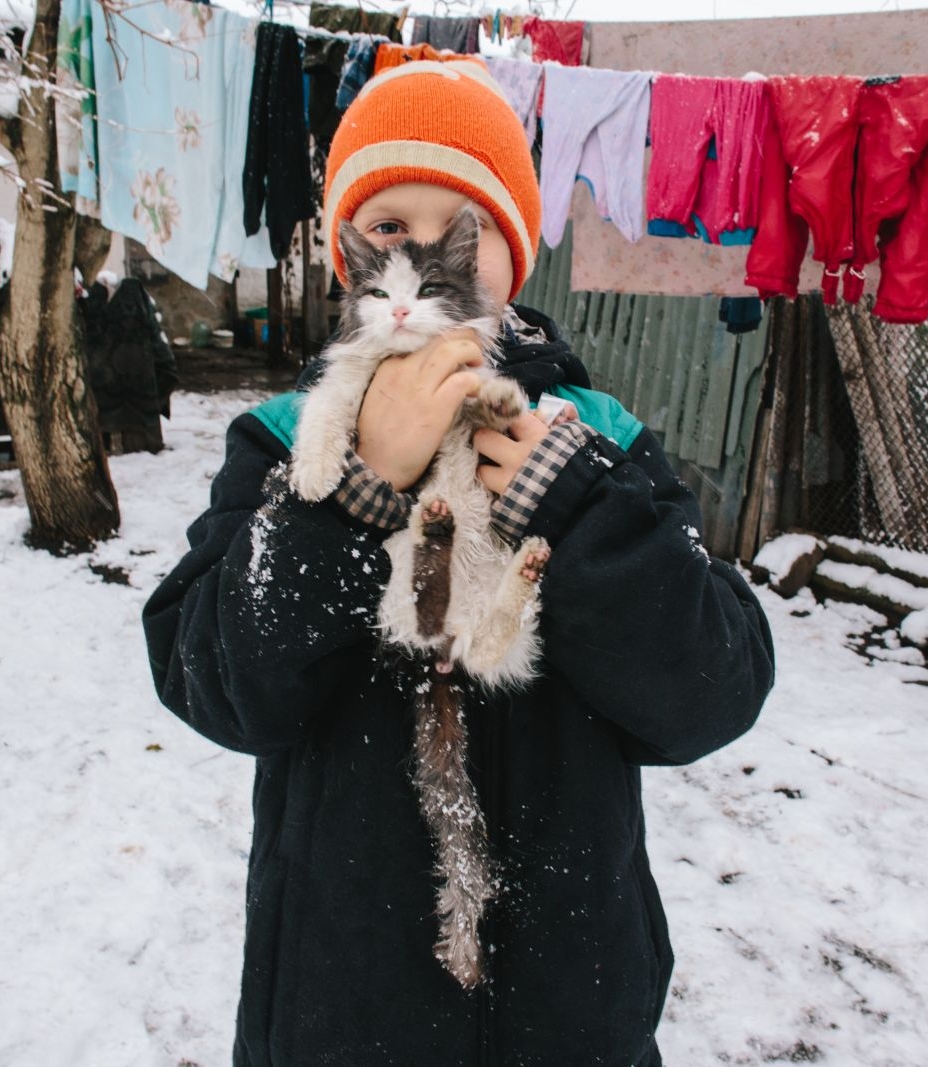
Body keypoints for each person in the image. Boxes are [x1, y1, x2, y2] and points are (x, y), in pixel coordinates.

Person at [142, 58, 777, 1067]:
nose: (424, 253)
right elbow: (216, 681)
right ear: (350, 252)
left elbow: (710, 692)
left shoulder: (598, 438)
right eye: (389, 223)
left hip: (570, 1007)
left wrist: (576, 513)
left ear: (510, 260)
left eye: (459, 226)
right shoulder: (283, 439)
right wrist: (352, 489)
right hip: (342, 1007)